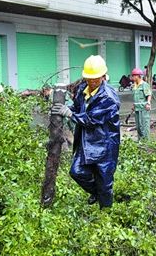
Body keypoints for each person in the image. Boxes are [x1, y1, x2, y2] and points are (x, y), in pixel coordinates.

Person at [51, 55, 120, 209]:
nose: (92, 81)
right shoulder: (83, 89)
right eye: (89, 78)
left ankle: (106, 214)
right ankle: (97, 193)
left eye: (95, 78)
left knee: (104, 180)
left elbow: (91, 120)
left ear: (103, 76)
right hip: (86, 141)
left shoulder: (109, 97)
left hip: (105, 144)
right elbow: (77, 107)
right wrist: (67, 107)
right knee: (76, 172)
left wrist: (70, 114)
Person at [131, 67, 152, 140]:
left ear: (138, 76)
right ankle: (140, 140)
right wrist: (133, 105)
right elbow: (135, 96)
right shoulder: (134, 86)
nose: (132, 77)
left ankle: (146, 141)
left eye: (134, 75)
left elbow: (149, 94)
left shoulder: (144, 84)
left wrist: (148, 103)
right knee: (138, 126)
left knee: (144, 125)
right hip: (137, 108)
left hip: (143, 108)